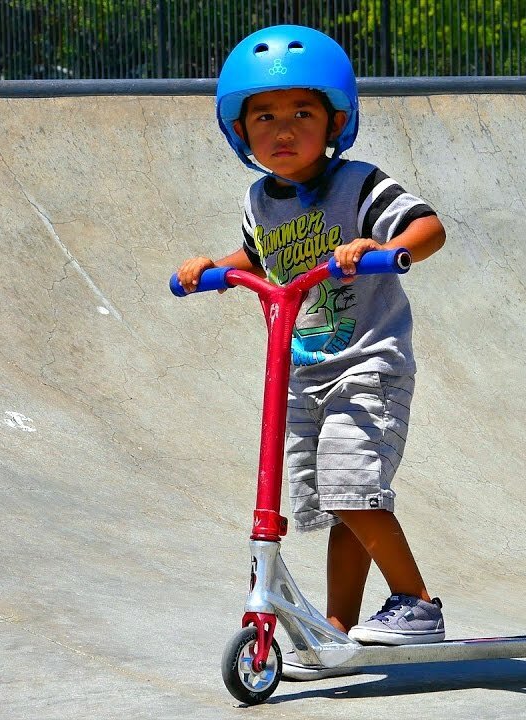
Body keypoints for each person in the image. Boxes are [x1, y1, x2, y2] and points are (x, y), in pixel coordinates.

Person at [175, 25, 448, 653]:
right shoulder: (258, 202)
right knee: (334, 499)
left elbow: (428, 228)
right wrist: (212, 269)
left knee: (353, 486)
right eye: (264, 115)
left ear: (335, 122)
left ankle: (417, 603)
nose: (284, 128)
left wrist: (385, 248)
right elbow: (256, 256)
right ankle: (340, 628)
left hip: (366, 363)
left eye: (303, 112)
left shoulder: (358, 184)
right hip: (303, 375)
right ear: (240, 132)